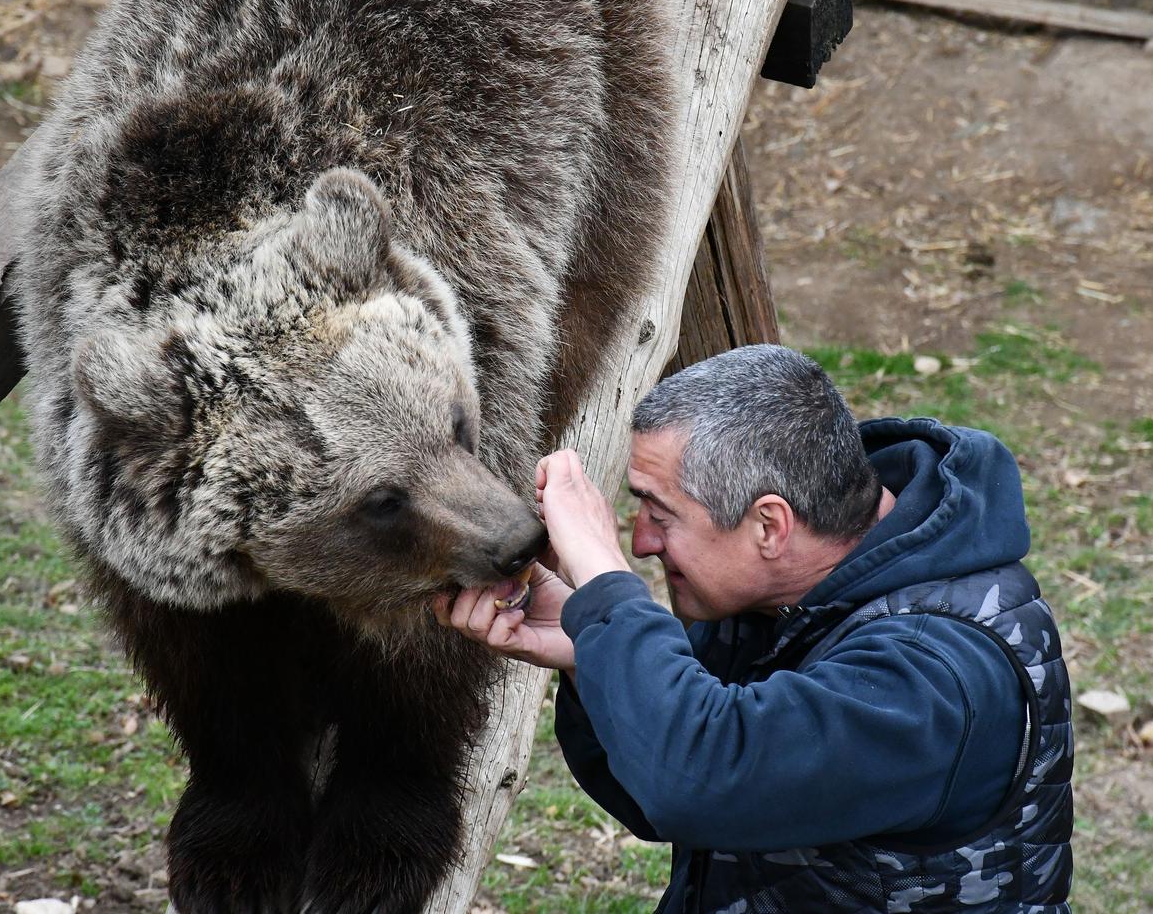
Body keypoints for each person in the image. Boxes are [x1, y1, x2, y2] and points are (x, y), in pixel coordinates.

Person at [436, 344, 1073, 913]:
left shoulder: (934, 676)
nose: (641, 541)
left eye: (659, 511)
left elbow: (702, 779)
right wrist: (587, 649)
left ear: (770, 525)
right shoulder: (796, 596)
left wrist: (604, 584)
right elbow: (663, 789)